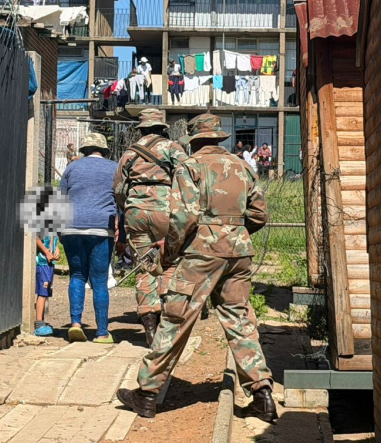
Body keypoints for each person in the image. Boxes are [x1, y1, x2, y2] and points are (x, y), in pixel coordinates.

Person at [117, 114, 276, 422]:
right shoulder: (243, 167)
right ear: (218, 138)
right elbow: (259, 214)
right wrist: (234, 234)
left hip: (202, 253)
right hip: (239, 253)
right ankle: (262, 395)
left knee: (176, 318)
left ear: (194, 140)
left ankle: (147, 393)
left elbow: (182, 219)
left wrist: (172, 252)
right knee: (239, 318)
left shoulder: (190, 167)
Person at [113, 109, 188, 346]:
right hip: (166, 210)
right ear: (162, 128)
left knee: (145, 266)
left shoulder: (129, 154)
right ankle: (168, 320)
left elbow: (118, 189)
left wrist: (130, 209)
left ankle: (149, 328)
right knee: (170, 262)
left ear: (142, 129)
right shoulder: (173, 148)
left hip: (136, 213)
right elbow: (188, 177)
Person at [59, 133, 118, 343]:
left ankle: (75, 323)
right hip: (102, 227)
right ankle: (102, 332)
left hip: (71, 227)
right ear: (103, 149)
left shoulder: (72, 168)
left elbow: (61, 199)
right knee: (100, 282)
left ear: (84, 150)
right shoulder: (114, 167)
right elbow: (121, 198)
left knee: (77, 275)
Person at [34, 234, 60, 336]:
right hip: (42, 263)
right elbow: (36, 238)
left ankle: (42, 322)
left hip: (49, 264)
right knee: (43, 294)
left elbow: (54, 239)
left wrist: (57, 249)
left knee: (46, 293)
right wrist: (46, 252)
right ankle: (39, 324)